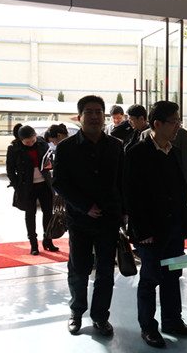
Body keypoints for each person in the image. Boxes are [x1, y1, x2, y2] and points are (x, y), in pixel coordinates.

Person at [124, 101, 187, 348]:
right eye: (174, 122)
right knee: (149, 279)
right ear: (157, 124)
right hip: (150, 231)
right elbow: (131, 196)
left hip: (173, 228)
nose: (178, 127)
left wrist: (184, 222)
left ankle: (172, 320)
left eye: (179, 121)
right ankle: (148, 327)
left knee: (172, 275)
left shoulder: (172, 150)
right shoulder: (137, 153)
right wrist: (142, 231)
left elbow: (179, 189)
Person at [53, 95, 124, 336]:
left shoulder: (115, 146)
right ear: (79, 117)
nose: (94, 116)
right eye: (89, 112)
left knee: (106, 271)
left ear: (104, 116)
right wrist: (85, 206)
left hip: (108, 219)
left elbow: (123, 182)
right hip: (80, 219)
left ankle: (101, 316)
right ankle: (76, 312)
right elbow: (59, 183)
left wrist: (123, 212)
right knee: (79, 269)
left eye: (98, 112)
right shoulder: (66, 148)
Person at [6, 125, 57, 254]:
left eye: (33, 140)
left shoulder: (42, 143)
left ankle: (48, 240)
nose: (31, 143)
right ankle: (33, 244)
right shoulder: (14, 149)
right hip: (26, 186)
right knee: (30, 215)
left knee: (48, 213)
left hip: (44, 184)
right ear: (21, 140)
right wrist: (17, 186)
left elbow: (50, 158)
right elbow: (10, 170)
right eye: (27, 142)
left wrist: (50, 164)